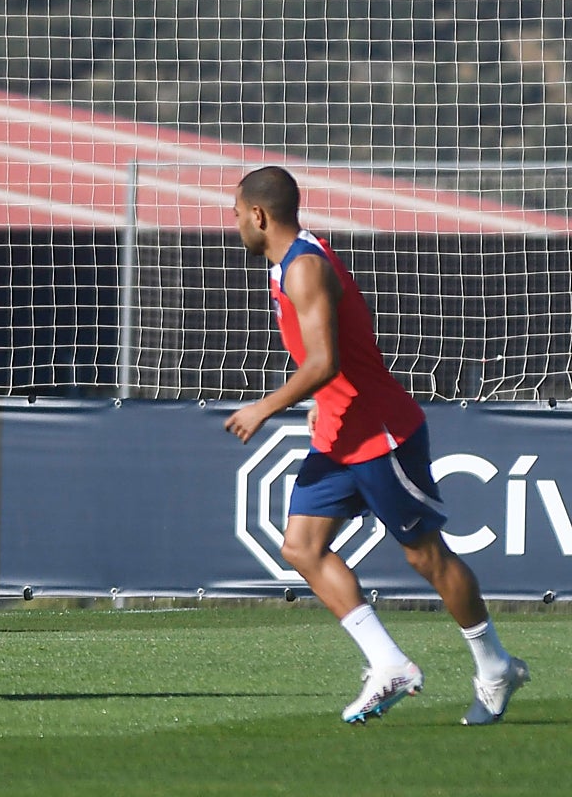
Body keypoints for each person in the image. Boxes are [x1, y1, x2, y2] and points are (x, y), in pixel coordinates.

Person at [224, 166, 529, 725]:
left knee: (426, 557)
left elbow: (325, 362)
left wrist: (264, 407)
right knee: (301, 547)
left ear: (259, 216)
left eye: (236, 213)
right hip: (340, 433)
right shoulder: (291, 263)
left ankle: (495, 665)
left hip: (380, 436)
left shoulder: (304, 268)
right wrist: (325, 399)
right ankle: (388, 663)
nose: (235, 224)